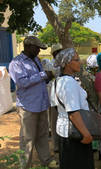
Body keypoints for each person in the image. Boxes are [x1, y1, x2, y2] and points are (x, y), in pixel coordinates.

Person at [8, 36, 58, 169]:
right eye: (37, 48)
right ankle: (25, 164)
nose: (39, 51)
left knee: (42, 135)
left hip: (42, 104)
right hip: (28, 106)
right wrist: (43, 75)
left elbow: (39, 79)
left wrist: (48, 77)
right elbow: (22, 82)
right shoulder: (16, 63)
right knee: (27, 138)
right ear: (28, 46)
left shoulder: (36, 60)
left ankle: (46, 160)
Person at [53, 48, 94, 169]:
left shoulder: (58, 81)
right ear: (67, 63)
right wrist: (86, 134)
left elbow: (57, 107)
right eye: (77, 60)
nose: (80, 62)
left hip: (65, 130)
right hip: (76, 133)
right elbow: (73, 112)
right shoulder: (69, 82)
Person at [42, 43, 63, 153]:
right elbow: (47, 78)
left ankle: (63, 144)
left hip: (63, 97)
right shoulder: (49, 64)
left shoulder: (65, 64)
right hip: (53, 97)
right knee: (54, 121)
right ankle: (56, 146)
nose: (60, 53)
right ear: (54, 53)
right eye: (58, 52)